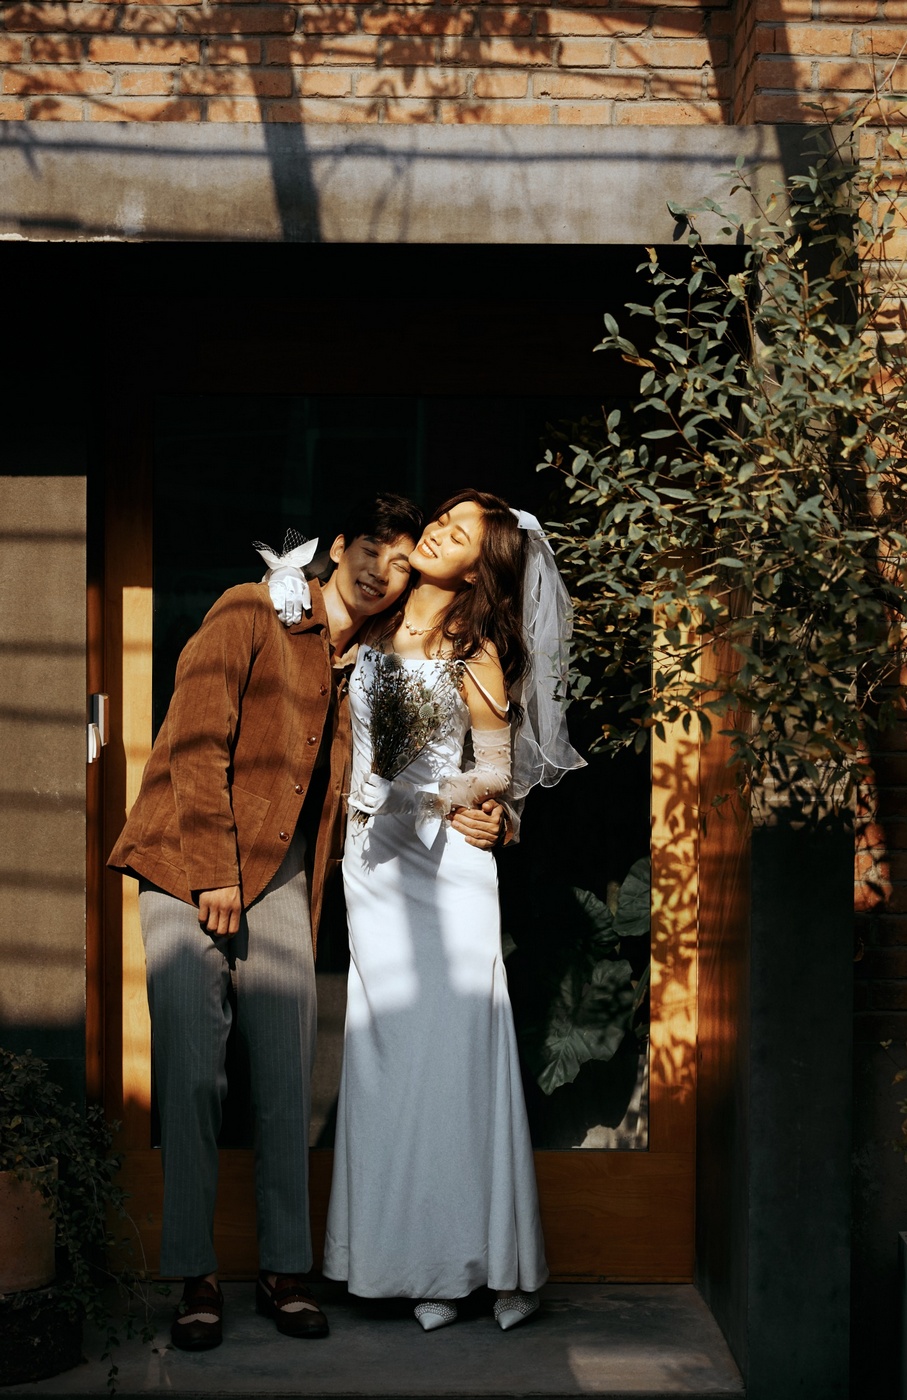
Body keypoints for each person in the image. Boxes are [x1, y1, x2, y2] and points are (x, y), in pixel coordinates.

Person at [107, 493, 504, 1352]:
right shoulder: (249, 609)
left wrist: (488, 807)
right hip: (184, 865)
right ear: (338, 545)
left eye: (401, 561)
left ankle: (283, 1270)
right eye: (371, 549)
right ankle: (195, 1276)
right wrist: (215, 873)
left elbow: (431, 754)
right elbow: (194, 746)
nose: (382, 570)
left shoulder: (368, 653)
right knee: (193, 1076)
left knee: (288, 1076)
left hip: (282, 877)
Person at [314, 488, 584, 1332]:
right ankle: (402, 1265)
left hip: (446, 871)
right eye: (443, 519)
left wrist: (455, 800)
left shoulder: (476, 651)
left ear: (477, 567)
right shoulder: (368, 626)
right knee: (386, 1061)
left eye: (459, 533)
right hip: (373, 871)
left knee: (455, 1062)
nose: (438, 533)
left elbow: (497, 768)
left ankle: (476, 1265)